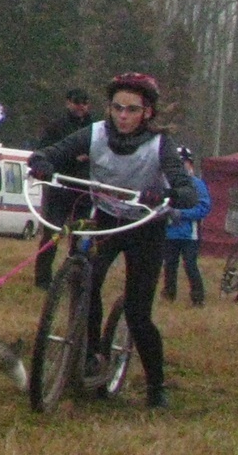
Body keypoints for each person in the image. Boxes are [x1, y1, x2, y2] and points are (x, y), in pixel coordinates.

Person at [28, 72, 198, 408]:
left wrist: (163, 193)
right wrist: (42, 164)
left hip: (145, 228)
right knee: (87, 282)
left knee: (137, 312)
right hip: (105, 218)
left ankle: (155, 386)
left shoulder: (159, 145)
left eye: (132, 109)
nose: (123, 116)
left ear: (147, 112)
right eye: (117, 108)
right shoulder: (93, 134)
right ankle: (92, 354)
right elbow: (51, 153)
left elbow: (187, 192)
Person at [34, 88, 94, 289]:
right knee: (52, 234)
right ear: (68, 103)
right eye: (77, 102)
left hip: (84, 190)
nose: (81, 107)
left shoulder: (95, 128)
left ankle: (76, 278)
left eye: (85, 103)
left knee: (81, 237)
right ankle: (43, 280)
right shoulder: (56, 127)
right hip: (59, 189)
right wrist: (71, 158)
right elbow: (44, 153)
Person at [161, 146, 212, 307]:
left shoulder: (197, 184)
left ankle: (198, 298)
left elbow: (204, 208)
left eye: (183, 162)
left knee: (190, 264)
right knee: (169, 264)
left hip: (190, 234)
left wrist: (181, 214)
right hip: (169, 233)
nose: (180, 167)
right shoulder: (167, 184)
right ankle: (169, 295)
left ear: (190, 164)